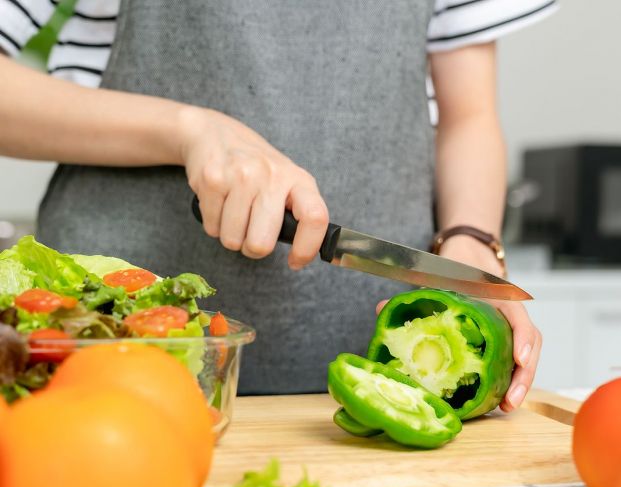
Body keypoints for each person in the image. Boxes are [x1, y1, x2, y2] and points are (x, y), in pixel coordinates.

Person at [0, 0, 556, 405]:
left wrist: (471, 239)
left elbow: (470, 116)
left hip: (380, 379)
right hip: (110, 375)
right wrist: (189, 129)